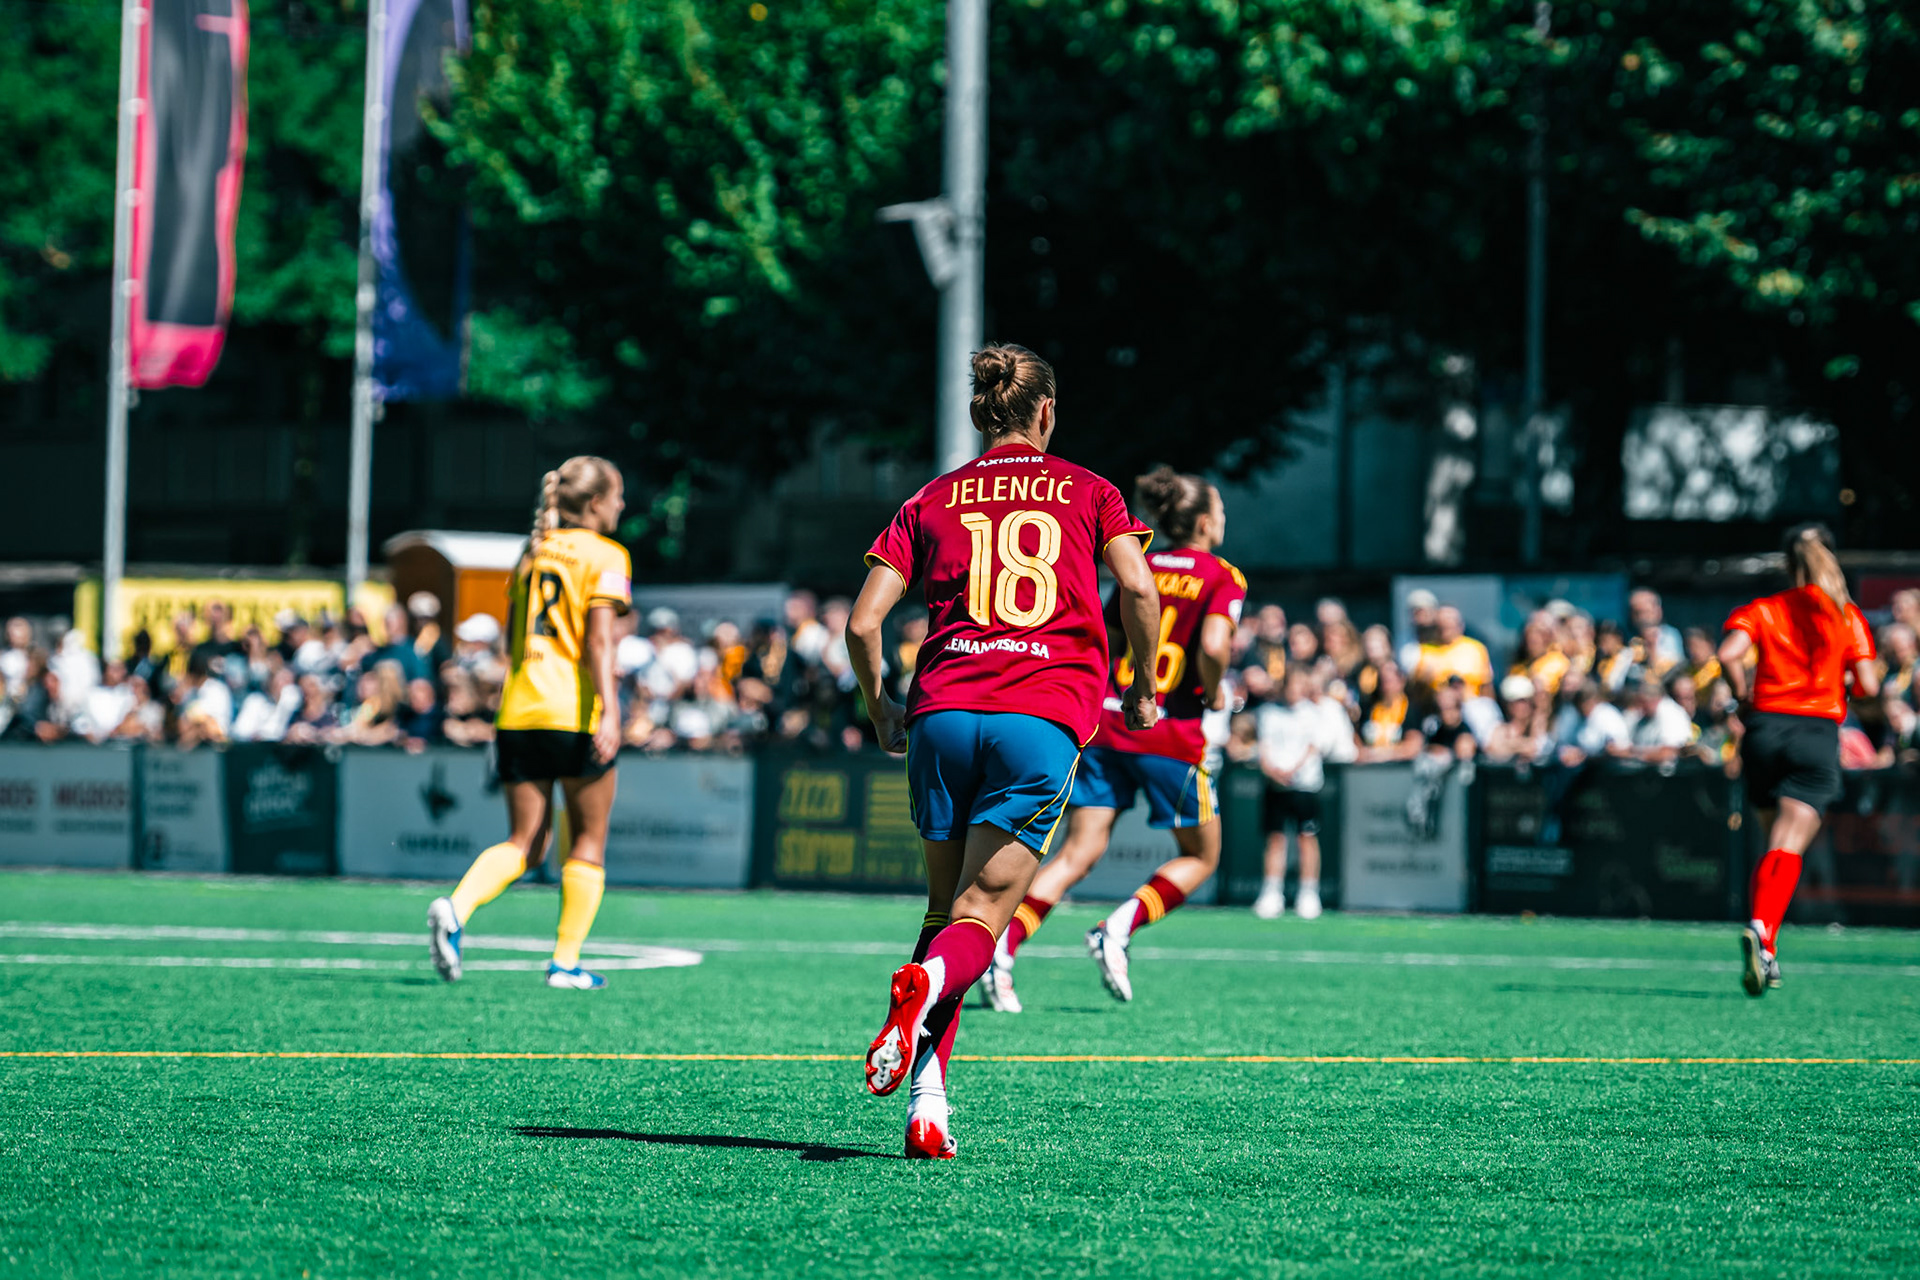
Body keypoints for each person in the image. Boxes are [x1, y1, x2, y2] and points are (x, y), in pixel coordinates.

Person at [844, 344, 1160, 1160]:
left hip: (942, 712)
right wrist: (1144, 686)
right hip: (1039, 712)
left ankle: (929, 1104)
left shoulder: (933, 496)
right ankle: (924, 1002)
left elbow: (860, 622)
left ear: (981, 413)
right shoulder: (1091, 490)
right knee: (984, 918)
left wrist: (880, 705)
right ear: (1046, 412)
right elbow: (1141, 587)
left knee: (943, 914)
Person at [983, 467, 1244, 1012]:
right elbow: (1215, 647)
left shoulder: (1141, 565)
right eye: (1219, 510)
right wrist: (1216, 692)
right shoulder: (1222, 576)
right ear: (1203, 522)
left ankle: (1002, 948)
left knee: (1078, 851)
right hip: (1169, 731)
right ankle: (1117, 928)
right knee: (1201, 855)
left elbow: (1106, 636)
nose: (1223, 519)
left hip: (1108, 721)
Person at [428, 456, 631, 991]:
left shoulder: (531, 553)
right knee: (587, 841)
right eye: (617, 497)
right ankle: (565, 963)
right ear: (594, 503)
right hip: (574, 712)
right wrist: (612, 710)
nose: (622, 506)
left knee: (524, 842)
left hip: (519, 710)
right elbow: (599, 641)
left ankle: (457, 906)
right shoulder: (608, 554)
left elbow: (511, 641)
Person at [1719, 524, 1878, 998]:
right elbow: (1867, 685)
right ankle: (1763, 938)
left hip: (1764, 730)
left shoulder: (1763, 610)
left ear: (1788, 564)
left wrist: (1742, 698)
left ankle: (1766, 947)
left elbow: (1729, 655)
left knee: (1771, 840)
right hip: (1814, 732)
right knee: (1787, 844)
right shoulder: (1846, 615)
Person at [1252, 664, 1340, 919]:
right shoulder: (1268, 713)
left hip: (1306, 786)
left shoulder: (1315, 713)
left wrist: (1293, 769)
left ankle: (1309, 893)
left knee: (1306, 838)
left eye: (1298, 685)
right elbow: (1264, 747)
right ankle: (1271, 892)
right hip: (1275, 786)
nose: (1294, 690)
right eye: (1290, 685)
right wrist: (1274, 770)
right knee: (1275, 839)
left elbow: (1314, 747)